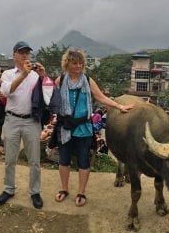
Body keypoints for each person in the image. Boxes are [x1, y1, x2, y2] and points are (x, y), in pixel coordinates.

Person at [52, 48, 134, 206]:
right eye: (74, 63)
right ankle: (64, 188)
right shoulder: (60, 80)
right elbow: (49, 94)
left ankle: (81, 192)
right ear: (67, 64)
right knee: (64, 160)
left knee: (83, 160)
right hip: (65, 127)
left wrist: (118, 106)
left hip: (83, 127)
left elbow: (101, 97)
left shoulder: (87, 80)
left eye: (80, 63)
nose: (78, 66)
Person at [0, 41, 50, 209]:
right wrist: (23, 75)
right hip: (12, 119)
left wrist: (43, 76)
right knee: (10, 159)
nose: (25, 55)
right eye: (21, 52)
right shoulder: (8, 74)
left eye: (27, 52)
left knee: (34, 160)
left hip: (32, 121)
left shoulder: (36, 76)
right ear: (14, 55)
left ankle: (35, 192)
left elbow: (48, 95)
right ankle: (9, 188)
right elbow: (6, 91)